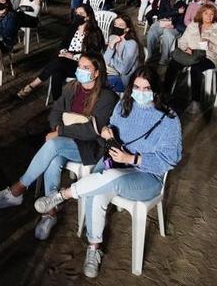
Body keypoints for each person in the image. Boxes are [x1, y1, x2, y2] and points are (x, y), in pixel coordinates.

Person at [32, 67, 181, 278]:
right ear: (131, 88)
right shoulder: (124, 106)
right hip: (116, 164)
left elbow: (170, 159)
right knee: (98, 188)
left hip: (148, 177)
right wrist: (106, 131)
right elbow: (110, 126)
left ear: (156, 91)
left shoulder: (168, 119)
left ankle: (61, 195)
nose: (141, 92)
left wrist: (133, 159)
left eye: (146, 88)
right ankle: (94, 247)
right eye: (137, 87)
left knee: (107, 178)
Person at [0, 54, 118, 239]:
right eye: (79, 66)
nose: (80, 70)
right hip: (67, 141)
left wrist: (61, 132)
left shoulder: (107, 96)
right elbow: (56, 110)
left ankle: (18, 189)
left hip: (90, 147)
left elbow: (91, 131)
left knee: (54, 144)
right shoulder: (71, 87)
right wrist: (57, 127)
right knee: (53, 158)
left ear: (97, 73)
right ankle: (49, 212)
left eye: (86, 67)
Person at [16, 4, 105, 101]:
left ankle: (33, 85)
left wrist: (72, 56)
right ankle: (57, 102)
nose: (77, 16)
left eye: (81, 14)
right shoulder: (73, 27)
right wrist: (64, 52)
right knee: (57, 72)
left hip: (82, 64)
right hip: (65, 59)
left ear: (88, 17)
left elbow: (92, 54)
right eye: (76, 13)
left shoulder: (94, 32)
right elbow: (63, 44)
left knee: (58, 63)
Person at [163, 4, 217, 113]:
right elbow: (182, 41)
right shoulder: (192, 26)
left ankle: (195, 102)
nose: (209, 16)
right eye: (206, 13)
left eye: (211, 14)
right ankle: (165, 94)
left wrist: (210, 44)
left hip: (208, 57)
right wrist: (186, 48)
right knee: (173, 63)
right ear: (200, 14)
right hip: (190, 54)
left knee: (195, 68)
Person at [145, 0, 185, 65]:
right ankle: (150, 55)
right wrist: (176, 12)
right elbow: (160, 14)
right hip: (164, 21)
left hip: (174, 25)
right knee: (152, 30)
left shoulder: (182, 4)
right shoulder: (164, 1)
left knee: (167, 33)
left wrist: (173, 24)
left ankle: (164, 58)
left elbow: (182, 19)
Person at [102, 15, 141, 92]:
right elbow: (106, 60)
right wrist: (111, 45)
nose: (117, 27)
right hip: (113, 72)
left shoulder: (131, 44)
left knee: (100, 84)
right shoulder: (113, 37)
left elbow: (124, 70)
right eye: (115, 24)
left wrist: (111, 61)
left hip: (125, 80)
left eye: (121, 25)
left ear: (127, 29)